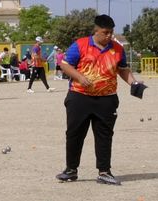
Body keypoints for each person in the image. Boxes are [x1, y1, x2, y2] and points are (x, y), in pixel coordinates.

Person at [55, 14, 141, 186]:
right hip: (79, 97)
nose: (109, 36)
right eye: (105, 32)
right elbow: (65, 65)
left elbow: (122, 70)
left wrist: (134, 83)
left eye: (111, 32)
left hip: (106, 99)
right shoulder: (80, 45)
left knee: (104, 136)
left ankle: (104, 172)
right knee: (74, 134)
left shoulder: (117, 49)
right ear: (96, 31)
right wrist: (79, 77)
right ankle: (71, 170)